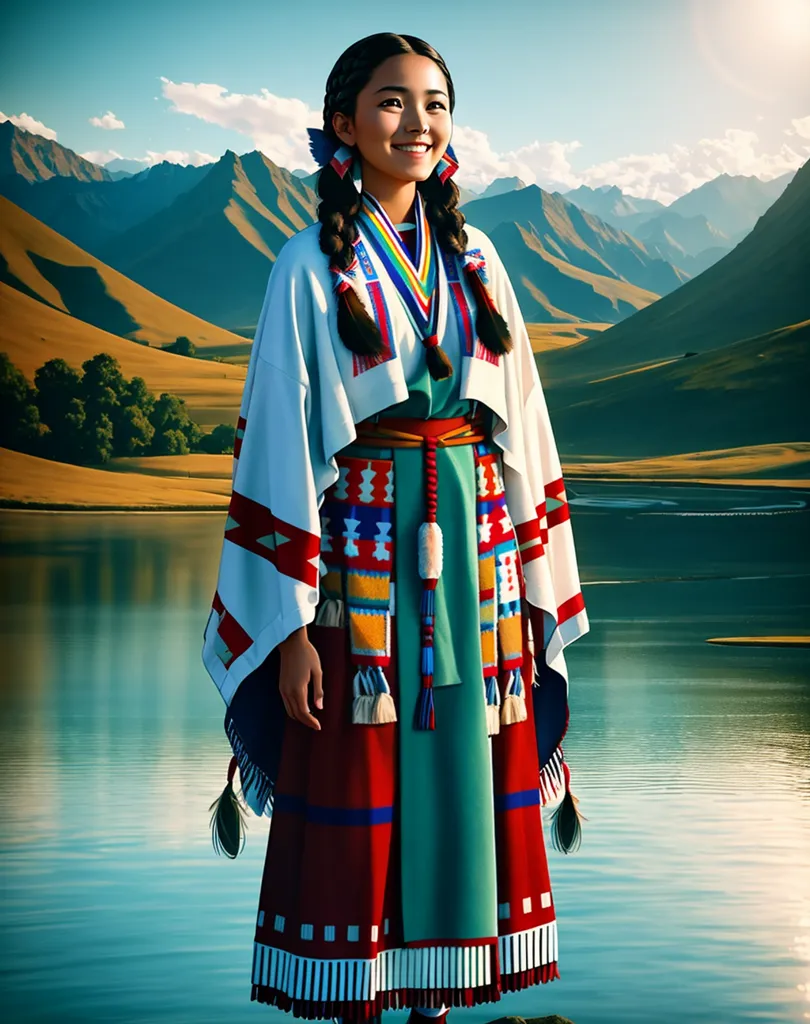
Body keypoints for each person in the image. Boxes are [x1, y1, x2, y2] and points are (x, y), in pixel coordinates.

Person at [201, 31, 589, 1024]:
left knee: (463, 752)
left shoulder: (480, 255)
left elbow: (524, 419)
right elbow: (282, 446)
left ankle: (441, 1003)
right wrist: (286, 631)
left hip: (476, 552)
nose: (417, 123)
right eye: (391, 102)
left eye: (435, 104)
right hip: (360, 560)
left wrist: (535, 584)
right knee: (363, 752)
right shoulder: (305, 264)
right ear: (342, 125)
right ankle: (363, 1001)